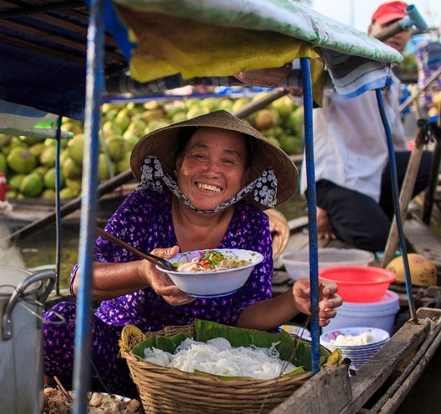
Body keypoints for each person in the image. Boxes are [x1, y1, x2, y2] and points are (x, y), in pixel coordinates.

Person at [43, 110, 343, 397]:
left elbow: (248, 314)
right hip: (124, 360)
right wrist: (143, 272)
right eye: (199, 155)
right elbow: (80, 283)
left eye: (229, 161)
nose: (212, 170)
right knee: (58, 322)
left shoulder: (252, 224)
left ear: (246, 176)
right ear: (177, 164)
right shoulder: (145, 205)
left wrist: (292, 300)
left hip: (207, 370)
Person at [303, 1, 434, 253]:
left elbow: (395, 141)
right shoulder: (342, 63)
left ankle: (371, 212)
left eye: (403, 28)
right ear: (371, 29)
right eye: (389, 25)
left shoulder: (391, 81)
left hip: (375, 171)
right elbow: (304, 92)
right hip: (336, 179)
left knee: (425, 163)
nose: (397, 32)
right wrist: (297, 85)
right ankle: (333, 212)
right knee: (389, 244)